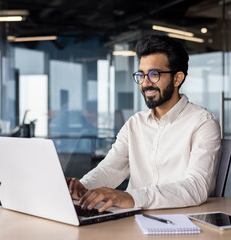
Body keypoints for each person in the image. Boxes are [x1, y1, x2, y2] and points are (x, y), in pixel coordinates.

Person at [67, 35, 221, 212]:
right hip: (133, 220)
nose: (145, 83)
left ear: (177, 79)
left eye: (154, 74)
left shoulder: (203, 122)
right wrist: (81, 188)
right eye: (141, 75)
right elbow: (110, 169)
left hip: (181, 222)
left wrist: (132, 197)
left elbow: (196, 187)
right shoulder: (135, 123)